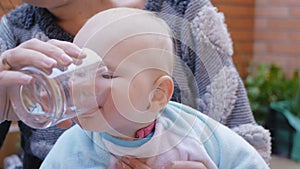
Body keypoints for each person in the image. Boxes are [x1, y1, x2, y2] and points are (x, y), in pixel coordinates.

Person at [0, 0, 271, 168]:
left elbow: (248, 154)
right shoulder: (74, 145)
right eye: (77, 72)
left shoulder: (192, 133)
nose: (82, 86)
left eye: (106, 74)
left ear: (158, 95)